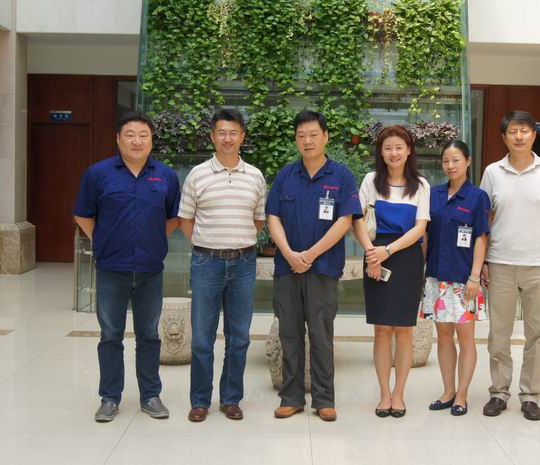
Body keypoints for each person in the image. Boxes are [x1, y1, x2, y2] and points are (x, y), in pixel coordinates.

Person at [73, 111, 181, 422]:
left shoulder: (166, 176)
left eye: (143, 135)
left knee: (149, 335)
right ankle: (109, 397)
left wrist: (151, 240)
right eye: (130, 135)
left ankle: (150, 395)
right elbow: (82, 214)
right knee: (110, 335)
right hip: (111, 269)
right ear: (118, 139)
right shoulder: (98, 174)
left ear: (151, 140)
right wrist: (103, 239)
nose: (137, 141)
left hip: (150, 269)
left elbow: (173, 218)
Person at [266, 110, 363, 422]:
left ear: (325, 137)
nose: (307, 141)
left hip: (323, 268)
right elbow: (273, 217)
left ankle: (324, 399)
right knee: (289, 334)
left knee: (321, 335)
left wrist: (309, 255)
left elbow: (345, 221)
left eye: (313, 135)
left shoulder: (341, 176)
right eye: (301, 136)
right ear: (296, 139)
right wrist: (290, 254)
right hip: (287, 269)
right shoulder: (285, 176)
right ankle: (291, 397)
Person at [178, 109, 266, 422]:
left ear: (242, 136)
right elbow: (185, 220)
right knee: (202, 338)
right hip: (206, 263)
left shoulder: (255, 176)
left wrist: (236, 242)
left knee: (239, 337)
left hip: (243, 263)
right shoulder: (197, 174)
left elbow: (258, 221)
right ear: (212, 136)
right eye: (221, 132)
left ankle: (231, 399)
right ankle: (200, 401)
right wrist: (207, 244)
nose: (227, 138)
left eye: (233, 132)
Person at [480, 110, 540, 421]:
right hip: (500, 262)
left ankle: (530, 395)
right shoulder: (492, 172)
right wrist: (483, 260)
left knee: (537, 334)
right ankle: (499, 392)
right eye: (513, 131)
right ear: (504, 137)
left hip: (539, 264)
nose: (519, 136)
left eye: (525, 131)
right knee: (498, 334)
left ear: (534, 135)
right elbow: (485, 218)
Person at [352, 125, 429, 418]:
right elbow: (357, 220)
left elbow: (420, 228)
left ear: (408, 150)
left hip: (406, 258)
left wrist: (388, 250)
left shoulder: (421, 185)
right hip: (375, 256)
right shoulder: (370, 181)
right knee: (382, 330)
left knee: (405, 331)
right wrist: (371, 252)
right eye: (387, 148)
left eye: (399, 147)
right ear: (381, 153)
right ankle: (384, 393)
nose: (393, 153)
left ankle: (399, 394)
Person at [423, 140, 490, 416]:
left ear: (468, 161)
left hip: (464, 279)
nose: (450, 166)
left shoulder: (478, 197)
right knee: (443, 336)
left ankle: (462, 394)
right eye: (446, 161)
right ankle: (448, 391)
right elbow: (426, 234)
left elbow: (481, 237)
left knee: (466, 338)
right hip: (436, 277)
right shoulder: (433, 194)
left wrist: (474, 276)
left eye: (456, 160)